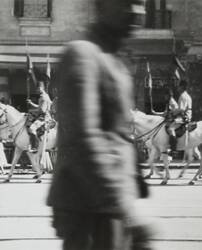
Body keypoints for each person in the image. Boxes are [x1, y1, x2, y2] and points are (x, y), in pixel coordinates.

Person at [47, 0, 153, 249]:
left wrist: (135, 183)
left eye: (141, 4)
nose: (137, 12)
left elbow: (120, 132)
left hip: (111, 205)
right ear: (102, 6)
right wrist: (123, 207)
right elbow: (84, 138)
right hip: (88, 208)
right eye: (128, 3)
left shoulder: (115, 62)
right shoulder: (82, 54)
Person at [26, 81, 52, 152]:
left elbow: (42, 110)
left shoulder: (43, 97)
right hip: (42, 116)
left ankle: (35, 147)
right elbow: (39, 107)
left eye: (37, 89)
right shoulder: (45, 95)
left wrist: (32, 111)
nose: (36, 91)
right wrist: (31, 103)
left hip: (43, 117)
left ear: (41, 88)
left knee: (31, 128)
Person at [167, 80, 192, 152]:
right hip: (186, 115)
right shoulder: (187, 95)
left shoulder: (183, 96)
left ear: (182, 87)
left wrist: (173, 112)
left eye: (179, 86)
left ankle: (173, 149)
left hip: (184, 117)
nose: (178, 88)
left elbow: (182, 109)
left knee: (170, 129)